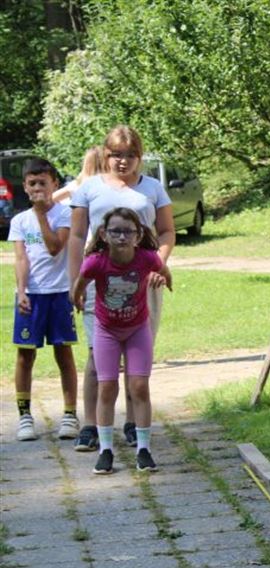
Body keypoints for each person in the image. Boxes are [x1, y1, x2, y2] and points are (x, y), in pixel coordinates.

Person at [68, 125, 175, 452]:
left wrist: (159, 264)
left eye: (130, 155)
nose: (123, 161)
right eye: (116, 154)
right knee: (96, 354)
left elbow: (166, 231)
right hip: (100, 282)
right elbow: (77, 236)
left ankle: (133, 422)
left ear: (140, 157)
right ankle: (91, 424)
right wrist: (75, 282)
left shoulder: (153, 188)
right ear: (105, 154)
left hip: (143, 282)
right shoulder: (90, 188)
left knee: (136, 354)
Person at [71, 207, 172, 474]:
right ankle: (105, 450)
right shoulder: (96, 262)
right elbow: (80, 283)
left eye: (128, 231)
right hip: (107, 331)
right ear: (104, 234)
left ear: (138, 236)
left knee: (139, 386)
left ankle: (143, 449)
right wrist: (77, 298)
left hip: (137, 329)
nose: (122, 237)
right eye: (115, 231)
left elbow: (164, 269)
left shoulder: (146, 258)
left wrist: (167, 280)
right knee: (107, 387)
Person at [8, 159, 80, 441]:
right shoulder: (19, 221)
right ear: (25, 187)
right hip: (32, 295)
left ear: (54, 185)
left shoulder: (65, 215)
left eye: (42, 183)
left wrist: (41, 215)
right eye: (32, 183)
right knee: (25, 354)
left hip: (59, 293)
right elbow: (21, 258)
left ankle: (70, 414)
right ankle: (25, 416)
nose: (37, 188)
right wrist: (22, 291)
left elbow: (54, 247)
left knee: (63, 352)